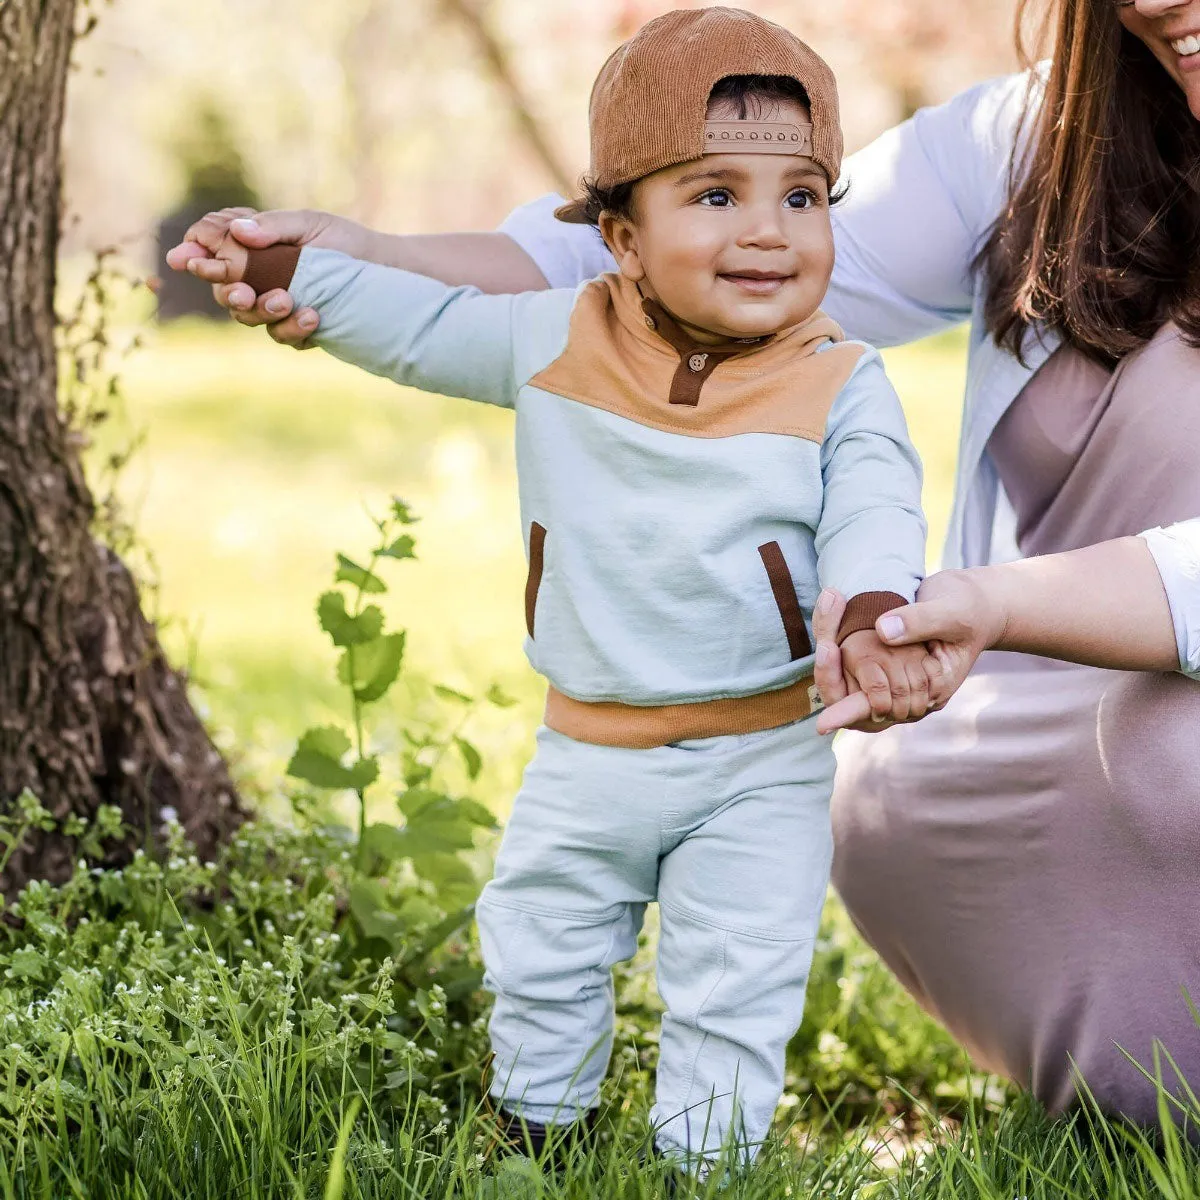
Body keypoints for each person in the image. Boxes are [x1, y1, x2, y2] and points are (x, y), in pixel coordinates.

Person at [169, 0, 1200, 1126]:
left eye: (801, 200)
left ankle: (706, 1159)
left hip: (807, 741)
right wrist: (337, 264)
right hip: (627, 736)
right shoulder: (1040, 141)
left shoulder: (835, 387)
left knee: (737, 968)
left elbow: (870, 520)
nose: (767, 230)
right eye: (719, 197)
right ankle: (538, 1129)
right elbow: (469, 313)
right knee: (545, 932)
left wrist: (884, 614)